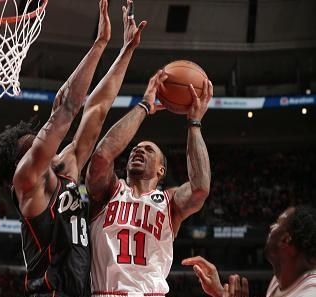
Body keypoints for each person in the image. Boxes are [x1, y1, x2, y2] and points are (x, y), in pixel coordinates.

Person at [0, 0, 147, 296]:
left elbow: (96, 108)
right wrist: (99, 44)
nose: (38, 139)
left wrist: (125, 52)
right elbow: (65, 109)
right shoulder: (27, 181)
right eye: (30, 145)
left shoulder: (66, 166)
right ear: (20, 161)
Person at [86, 68, 213, 296]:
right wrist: (144, 105)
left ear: (161, 170)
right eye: (135, 149)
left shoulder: (169, 202)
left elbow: (200, 188)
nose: (138, 151)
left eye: (148, 150)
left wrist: (194, 123)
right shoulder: (109, 190)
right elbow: (102, 156)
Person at [182, 206, 316, 297]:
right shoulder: (283, 276)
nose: (271, 226)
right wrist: (220, 292)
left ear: (286, 240)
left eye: (278, 223)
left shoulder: (309, 292)